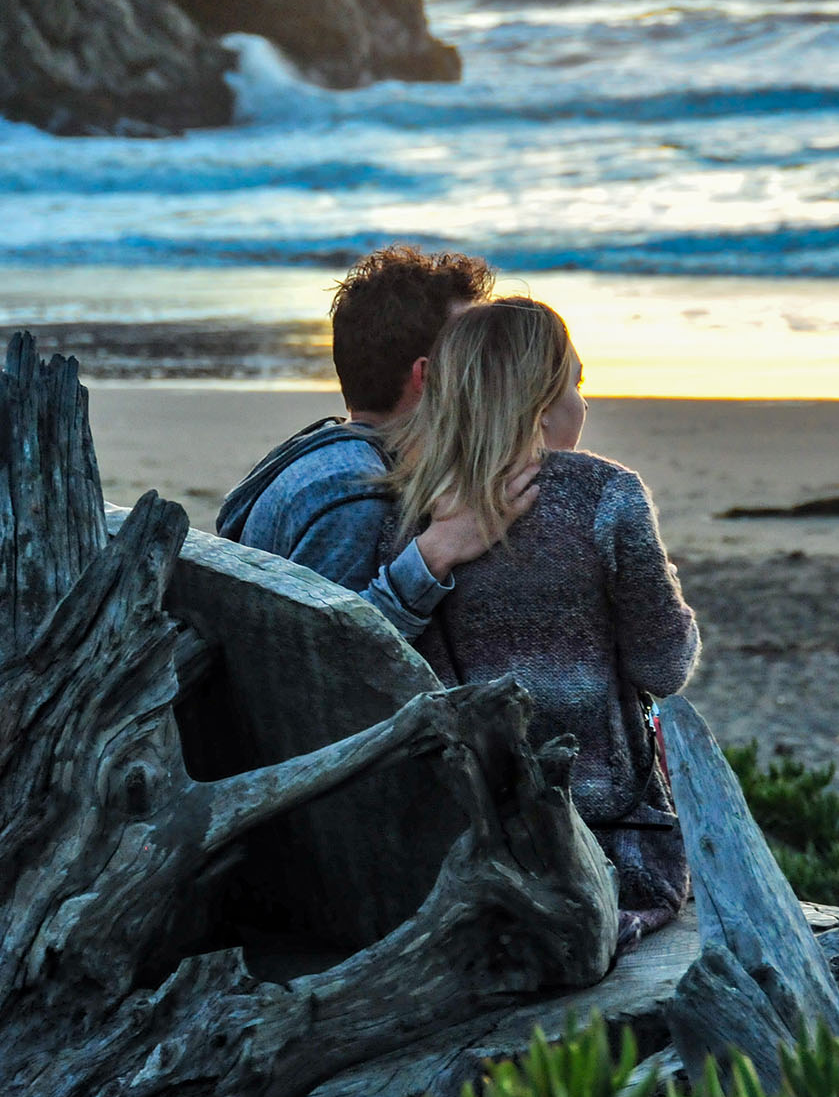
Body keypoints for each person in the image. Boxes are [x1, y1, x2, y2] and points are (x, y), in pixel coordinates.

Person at [377, 297, 701, 953]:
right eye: (575, 384)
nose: (583, 404)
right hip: (606, 843)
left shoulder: (417, 509)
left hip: (468, 841)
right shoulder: (606, 495)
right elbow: (665, 668)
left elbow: (390, 656)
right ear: (541, 402)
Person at [216, 246, 539, 637]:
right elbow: (327, 660)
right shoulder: (356, 495)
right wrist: (436, 553)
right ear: (432, 376)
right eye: (474, 351)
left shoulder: (324, 451)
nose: (489, 371)